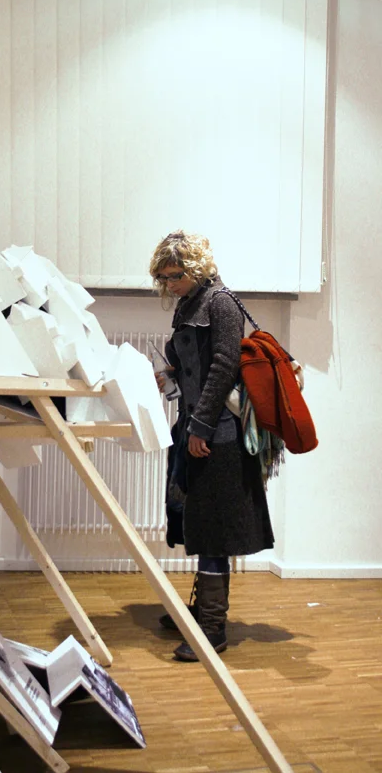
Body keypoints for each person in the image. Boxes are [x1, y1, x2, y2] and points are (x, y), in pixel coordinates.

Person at [149, 231, 274, 662]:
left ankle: (212, 627)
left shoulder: (220, 302)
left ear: (196, 268)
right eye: (164, 278)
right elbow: (195, 364)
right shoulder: (190, 302)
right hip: (196, 426)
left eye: (176, 275)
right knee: (199, 522)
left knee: (214, 529)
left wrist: (201, 426)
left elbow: (224, 366)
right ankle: (203, 609)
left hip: (218, 433)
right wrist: (169, 374)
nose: (170, 284)